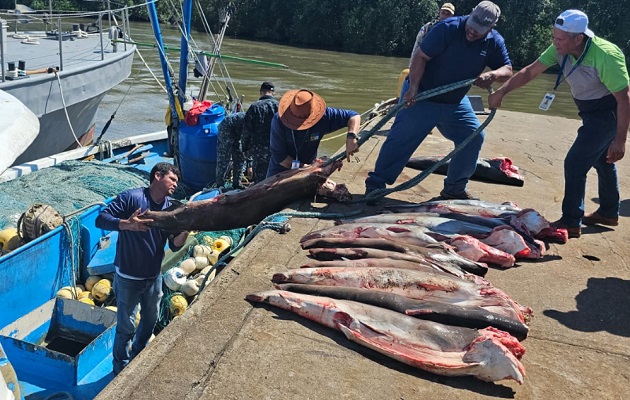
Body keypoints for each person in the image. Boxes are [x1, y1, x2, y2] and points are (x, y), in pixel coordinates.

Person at [488, 9, 630, 238]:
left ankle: (571, 221)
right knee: (602, 162)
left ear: (578, 38)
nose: (555, 43)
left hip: (607, 113)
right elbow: (529, 72)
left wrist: (620, 140)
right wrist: (502, 92)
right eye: (554, 37)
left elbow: (624, 99)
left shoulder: (606, 55)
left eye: (560, 39)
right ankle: (609, 212)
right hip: (589, 111)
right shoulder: (560, 49)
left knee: (575, 163)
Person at [365, 1, 512, 203]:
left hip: (455, 101)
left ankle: (454, 188)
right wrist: (413, 88)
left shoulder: (494, 41)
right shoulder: (447, 28)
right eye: (471, 24)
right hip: (423, 94)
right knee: (401, 139)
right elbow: (420, 57)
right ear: (470, 15)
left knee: (473, 137)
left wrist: (494, 74)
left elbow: (508, 70)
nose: (472, 31)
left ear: (491, 28)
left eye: (479, 30)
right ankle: (376, 185)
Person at [95, 162, 189, 375]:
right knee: (126, 327)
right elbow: (101, 219)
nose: (176, 184)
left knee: (150, 320)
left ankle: (137, 357)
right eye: (172, 179)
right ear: (157, 176)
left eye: (177, 180)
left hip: (153, 277)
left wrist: (186, 228)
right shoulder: (132, 198)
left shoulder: (173, 208)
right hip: (128, 276)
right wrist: (127, 224)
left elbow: (175, 244)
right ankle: (119, 369)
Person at [266, 89, 361, 177]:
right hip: (280, 172)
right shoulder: (279, 120)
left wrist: (351, 136)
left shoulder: (324, 116)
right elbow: (281, 158)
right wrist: (311, 168)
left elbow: (353, 116)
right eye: (296, 122)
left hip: (308, 171)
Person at [242, 81, 279, 183]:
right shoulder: (280, 107)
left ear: (261, 92)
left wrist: (245, 148)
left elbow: (246, 130)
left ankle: (260, 197)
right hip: (277, 149)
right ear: (273, 93)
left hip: (259, 150)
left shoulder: (254, 107)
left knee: (260, 180)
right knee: (275, 178)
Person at [215, 111, 246, 188]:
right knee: (224, 158)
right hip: (227, 127)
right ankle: (219, 184)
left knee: (240, 158)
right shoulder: (254, 122)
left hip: (238, 132)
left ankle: (237, 183)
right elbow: (249, 145)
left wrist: (249, 163)